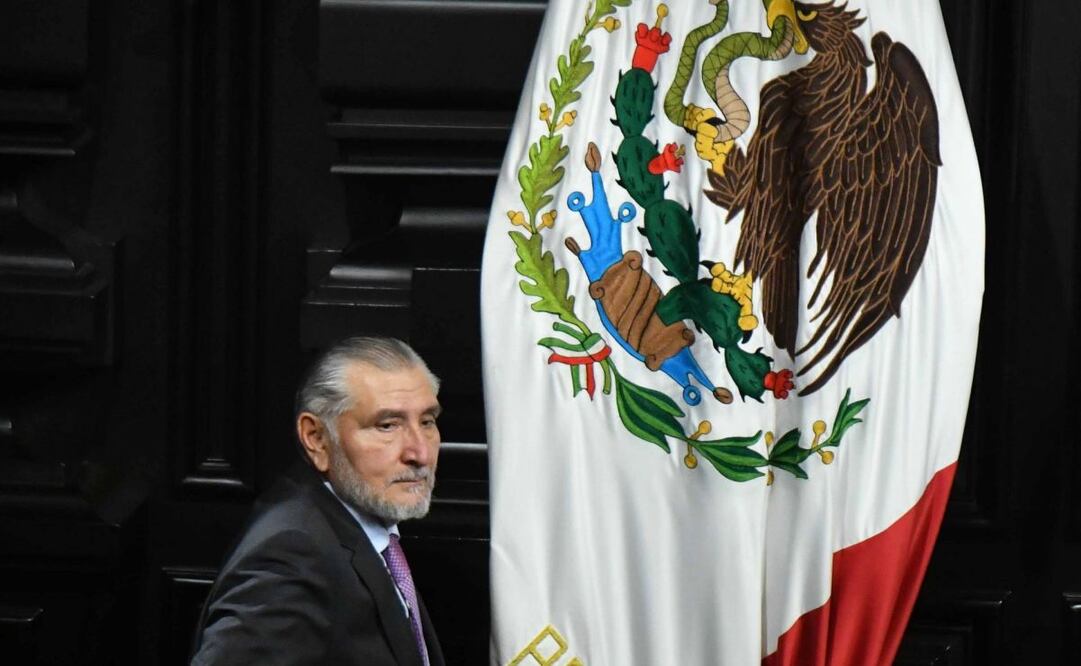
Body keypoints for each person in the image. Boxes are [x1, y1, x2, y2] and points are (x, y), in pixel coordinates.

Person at [191, 337, 445, 665]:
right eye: (387, 426)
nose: (420, 453)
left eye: (427, 421)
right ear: (316, 438)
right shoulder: (291, 556)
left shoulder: (355, 525)